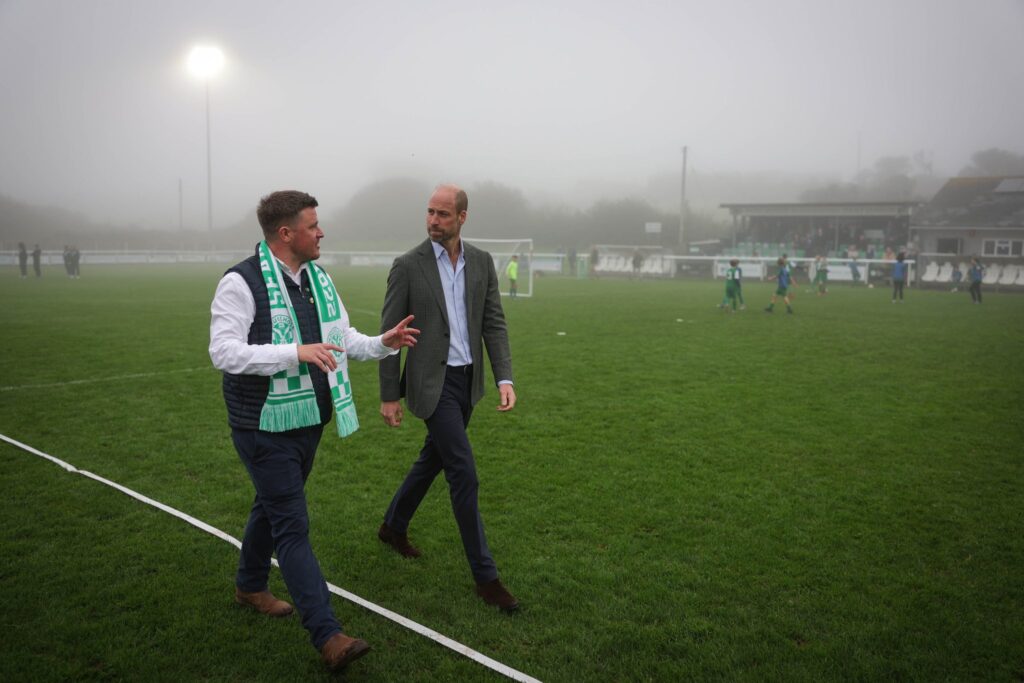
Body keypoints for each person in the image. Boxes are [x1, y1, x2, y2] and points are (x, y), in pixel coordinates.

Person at [209, 190, 419, 672]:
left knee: (271, 504)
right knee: (291, 523)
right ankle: (328, 635)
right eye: (313, 225)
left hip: (310, 419)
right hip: (262, 422)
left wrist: (383, 344)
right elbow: (223, 352)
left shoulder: (318, 279)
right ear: (286, 234)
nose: (321, 232)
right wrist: (293, 352)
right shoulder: (240, 283)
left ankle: (249, 586)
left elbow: (340, 339)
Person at [377, 184, 520, 612]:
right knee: (463, 470)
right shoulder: (407, 266)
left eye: (442, 214)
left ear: (462, 217)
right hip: (429, 385)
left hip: (466, 384)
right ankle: (486, 577)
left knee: (433, 459)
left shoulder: (482, 262)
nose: (433, 221)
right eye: (429, 212)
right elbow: (389, 336)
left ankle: (393, 526)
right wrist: (390, 395)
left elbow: (493, 322)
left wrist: (504, 378)